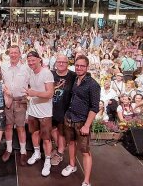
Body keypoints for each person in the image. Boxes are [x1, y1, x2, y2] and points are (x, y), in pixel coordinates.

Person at [61, 55, 100, 186]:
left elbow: (95, 107)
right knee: (71, 143)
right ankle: (72, 165)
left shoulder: (93, 84)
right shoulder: (74, 80)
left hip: (82, 121)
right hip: (70, 117)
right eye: (77, 65)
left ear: (87, 67)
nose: (79, 68)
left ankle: (86, 181)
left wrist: (87, 125)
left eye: (82, 66)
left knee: (85, 151)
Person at [25, 51, 54, 177]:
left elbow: (50, 94)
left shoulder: (47, 73)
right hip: (32, 110)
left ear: (39, 59)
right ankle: (37, 153)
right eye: (29, 61)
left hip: (45, 113)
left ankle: (47, 161)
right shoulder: (31, 72)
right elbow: (30, 92)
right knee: (34, 133)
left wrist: (34, 93)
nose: (31, 63)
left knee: (46, 139)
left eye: (33, 60)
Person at [1, 45, 30, 166]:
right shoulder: (3, 67)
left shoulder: (26, 68)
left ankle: (23, 152)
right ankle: (8, 149)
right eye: (11, 53)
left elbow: (30, 85)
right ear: (9, 54)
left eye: (15, 53)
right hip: (7, 101)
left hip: (20, 101)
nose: (13, 55)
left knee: (20, 127)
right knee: (8, 126)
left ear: (19, 54)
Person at [50, 54, 76, 166]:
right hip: (50, 108)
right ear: (55, 63)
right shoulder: (50, 74)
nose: (61, 64)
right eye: (59, 62)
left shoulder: (73, 76)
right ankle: (60, 147)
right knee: (51, 129)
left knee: (61, 132)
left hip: (65, 108)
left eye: (64, 62)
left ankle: (60, 152)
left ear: (67, 64)